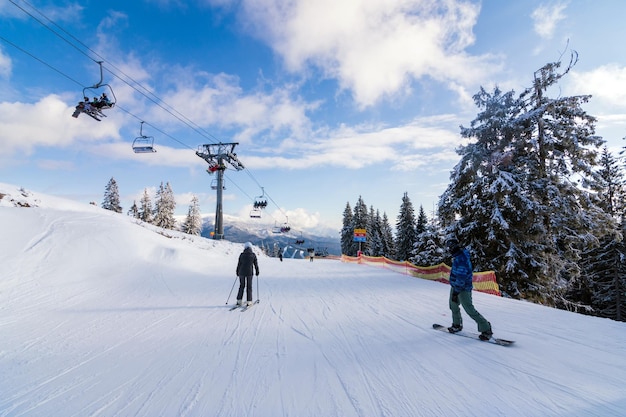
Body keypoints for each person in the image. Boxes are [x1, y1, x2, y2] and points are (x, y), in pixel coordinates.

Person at [445, 238, 493, 340]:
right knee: (453, 306)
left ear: (454, 247)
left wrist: (456, 292)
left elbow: (461, 277)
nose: (449, 250)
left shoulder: (462, 259)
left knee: (469, 308)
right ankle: (457, 325)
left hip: (463, 288)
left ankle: (486, 328)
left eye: (450, 247)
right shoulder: (457, 257)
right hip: (455, 286)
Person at [236, 242, 259, 306]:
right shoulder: (253, 255)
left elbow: (239, 264)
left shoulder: (241, 255)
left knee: (241, 286)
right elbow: (256, 264)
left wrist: (237, 272)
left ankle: (239, 300)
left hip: (241, 272)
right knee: (249, 287)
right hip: (249, 273)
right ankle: (249, 301)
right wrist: (257, 271)